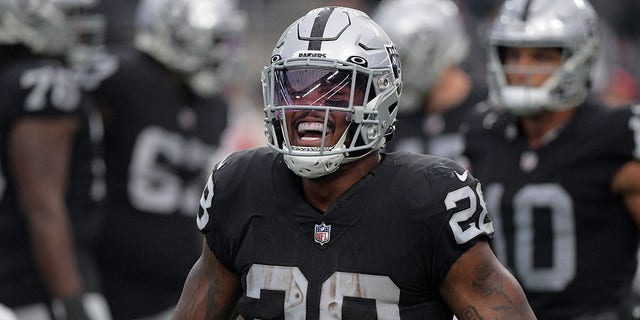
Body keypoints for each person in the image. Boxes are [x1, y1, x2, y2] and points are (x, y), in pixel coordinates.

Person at [172, 6, 536, 319]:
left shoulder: (429, 199)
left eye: (335, 88)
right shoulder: (240, 186)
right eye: (293, 86)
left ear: (379, 98)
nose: (308, 107)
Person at [462, 0, 640, 318]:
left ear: (578, 56)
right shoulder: (484, 132)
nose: (522, 68)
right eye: (513, 54)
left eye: (541, 56)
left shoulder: (615, 134)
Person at [85, 0, 246, 318]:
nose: (223, 53)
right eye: (215, 41)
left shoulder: (212, 105)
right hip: (108, 277)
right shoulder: (122, 76)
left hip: (174, 287)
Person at [0, 0, 111, 319]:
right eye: (66, 13)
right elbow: (42, 205)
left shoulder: (14, 79)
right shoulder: (42, 82)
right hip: (34, 287)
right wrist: (71, 299)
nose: (74, 25)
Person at [373, 0, 486, 165]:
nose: (390, 72)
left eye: (400, 60)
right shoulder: (389, 117)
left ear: (430, 51)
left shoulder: (487, 111)